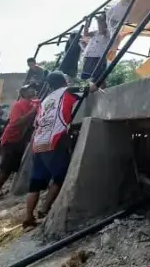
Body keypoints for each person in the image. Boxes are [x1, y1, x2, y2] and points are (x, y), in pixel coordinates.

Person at [23, 71, 86, 228]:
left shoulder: (45, 101)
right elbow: (89, 89)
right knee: (60, 177)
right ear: (64, 80)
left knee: (36, 183)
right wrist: (92, 85)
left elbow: (37, 123)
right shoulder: (67, 91)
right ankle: (44, 209)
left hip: (39, 143)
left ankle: (28, 217)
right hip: (55, 140)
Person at [0, 83, 39, 199]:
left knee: (15, 164)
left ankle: (6, 186)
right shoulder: (19, 105)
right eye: (30, 89)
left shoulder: (33, 104)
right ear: (24, 93)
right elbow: (16, 122)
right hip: (11, 138)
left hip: (21, 139)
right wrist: (31, 113)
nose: (33, 90)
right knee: (7, 165)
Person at [81, 13, 110, 81]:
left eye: (102, 20)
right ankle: (91, 90)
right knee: (89, 77)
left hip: (99, 57)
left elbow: (101, 31)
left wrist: (99, 20)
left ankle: (102, 90)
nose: (100, 22)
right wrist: (87, 23)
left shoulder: (107, 31)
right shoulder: (96, 32)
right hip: (90, 56)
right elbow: (86, 34)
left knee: (99, 78)